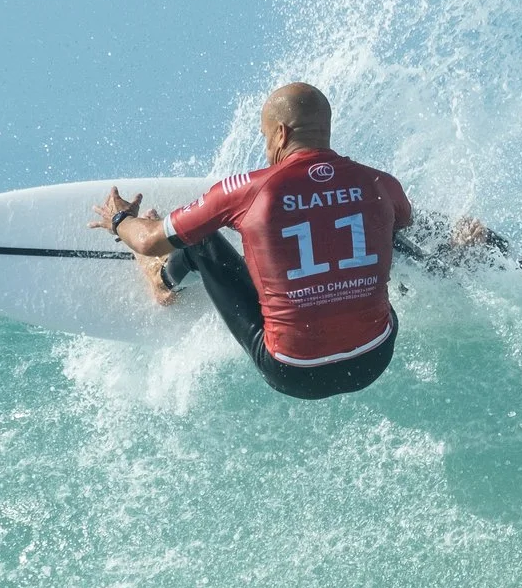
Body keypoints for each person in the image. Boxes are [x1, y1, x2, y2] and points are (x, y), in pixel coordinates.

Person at [89, 82, 412, 400]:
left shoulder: (245, 190)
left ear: (281, 133)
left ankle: (162, 283)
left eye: (265, 136)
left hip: (295, 371)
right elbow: (407, 227)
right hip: (374, 356)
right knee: (383, 222)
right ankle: (451, 251)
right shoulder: (380, 182)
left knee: (200, 239)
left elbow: (148, 242)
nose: (266, 146)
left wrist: (120, 221)